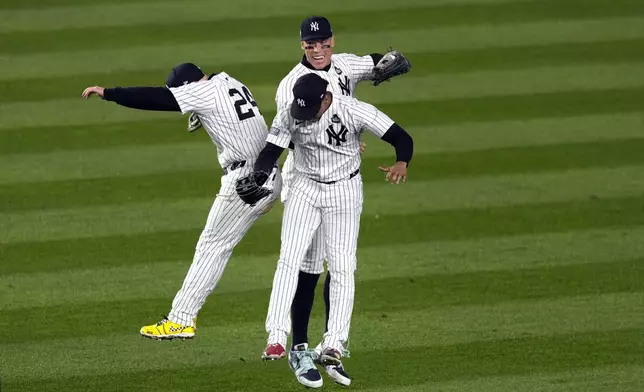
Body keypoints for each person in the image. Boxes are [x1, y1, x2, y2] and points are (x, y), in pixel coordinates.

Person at [236, 73, 413, 388]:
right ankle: (277, 336)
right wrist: (261, 174)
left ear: (326, 98)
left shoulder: (354, 109)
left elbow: (402, 137)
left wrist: (402, 162)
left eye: (310, 111)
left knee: (343, 265)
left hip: (344, 192)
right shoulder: (292, 111)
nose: (303, 118)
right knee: (290, 258)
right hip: (304, 188)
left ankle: (333, 344)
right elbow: (270, 151)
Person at [81, 62, 281, 339]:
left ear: (189, 88)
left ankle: (181, 319)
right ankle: (182, 318)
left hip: (248, 180)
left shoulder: (202, 92)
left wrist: (109, 92)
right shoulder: (229, 82)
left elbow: (157, 99)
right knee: (217, 245)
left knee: (212, 247)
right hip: (267, 171)